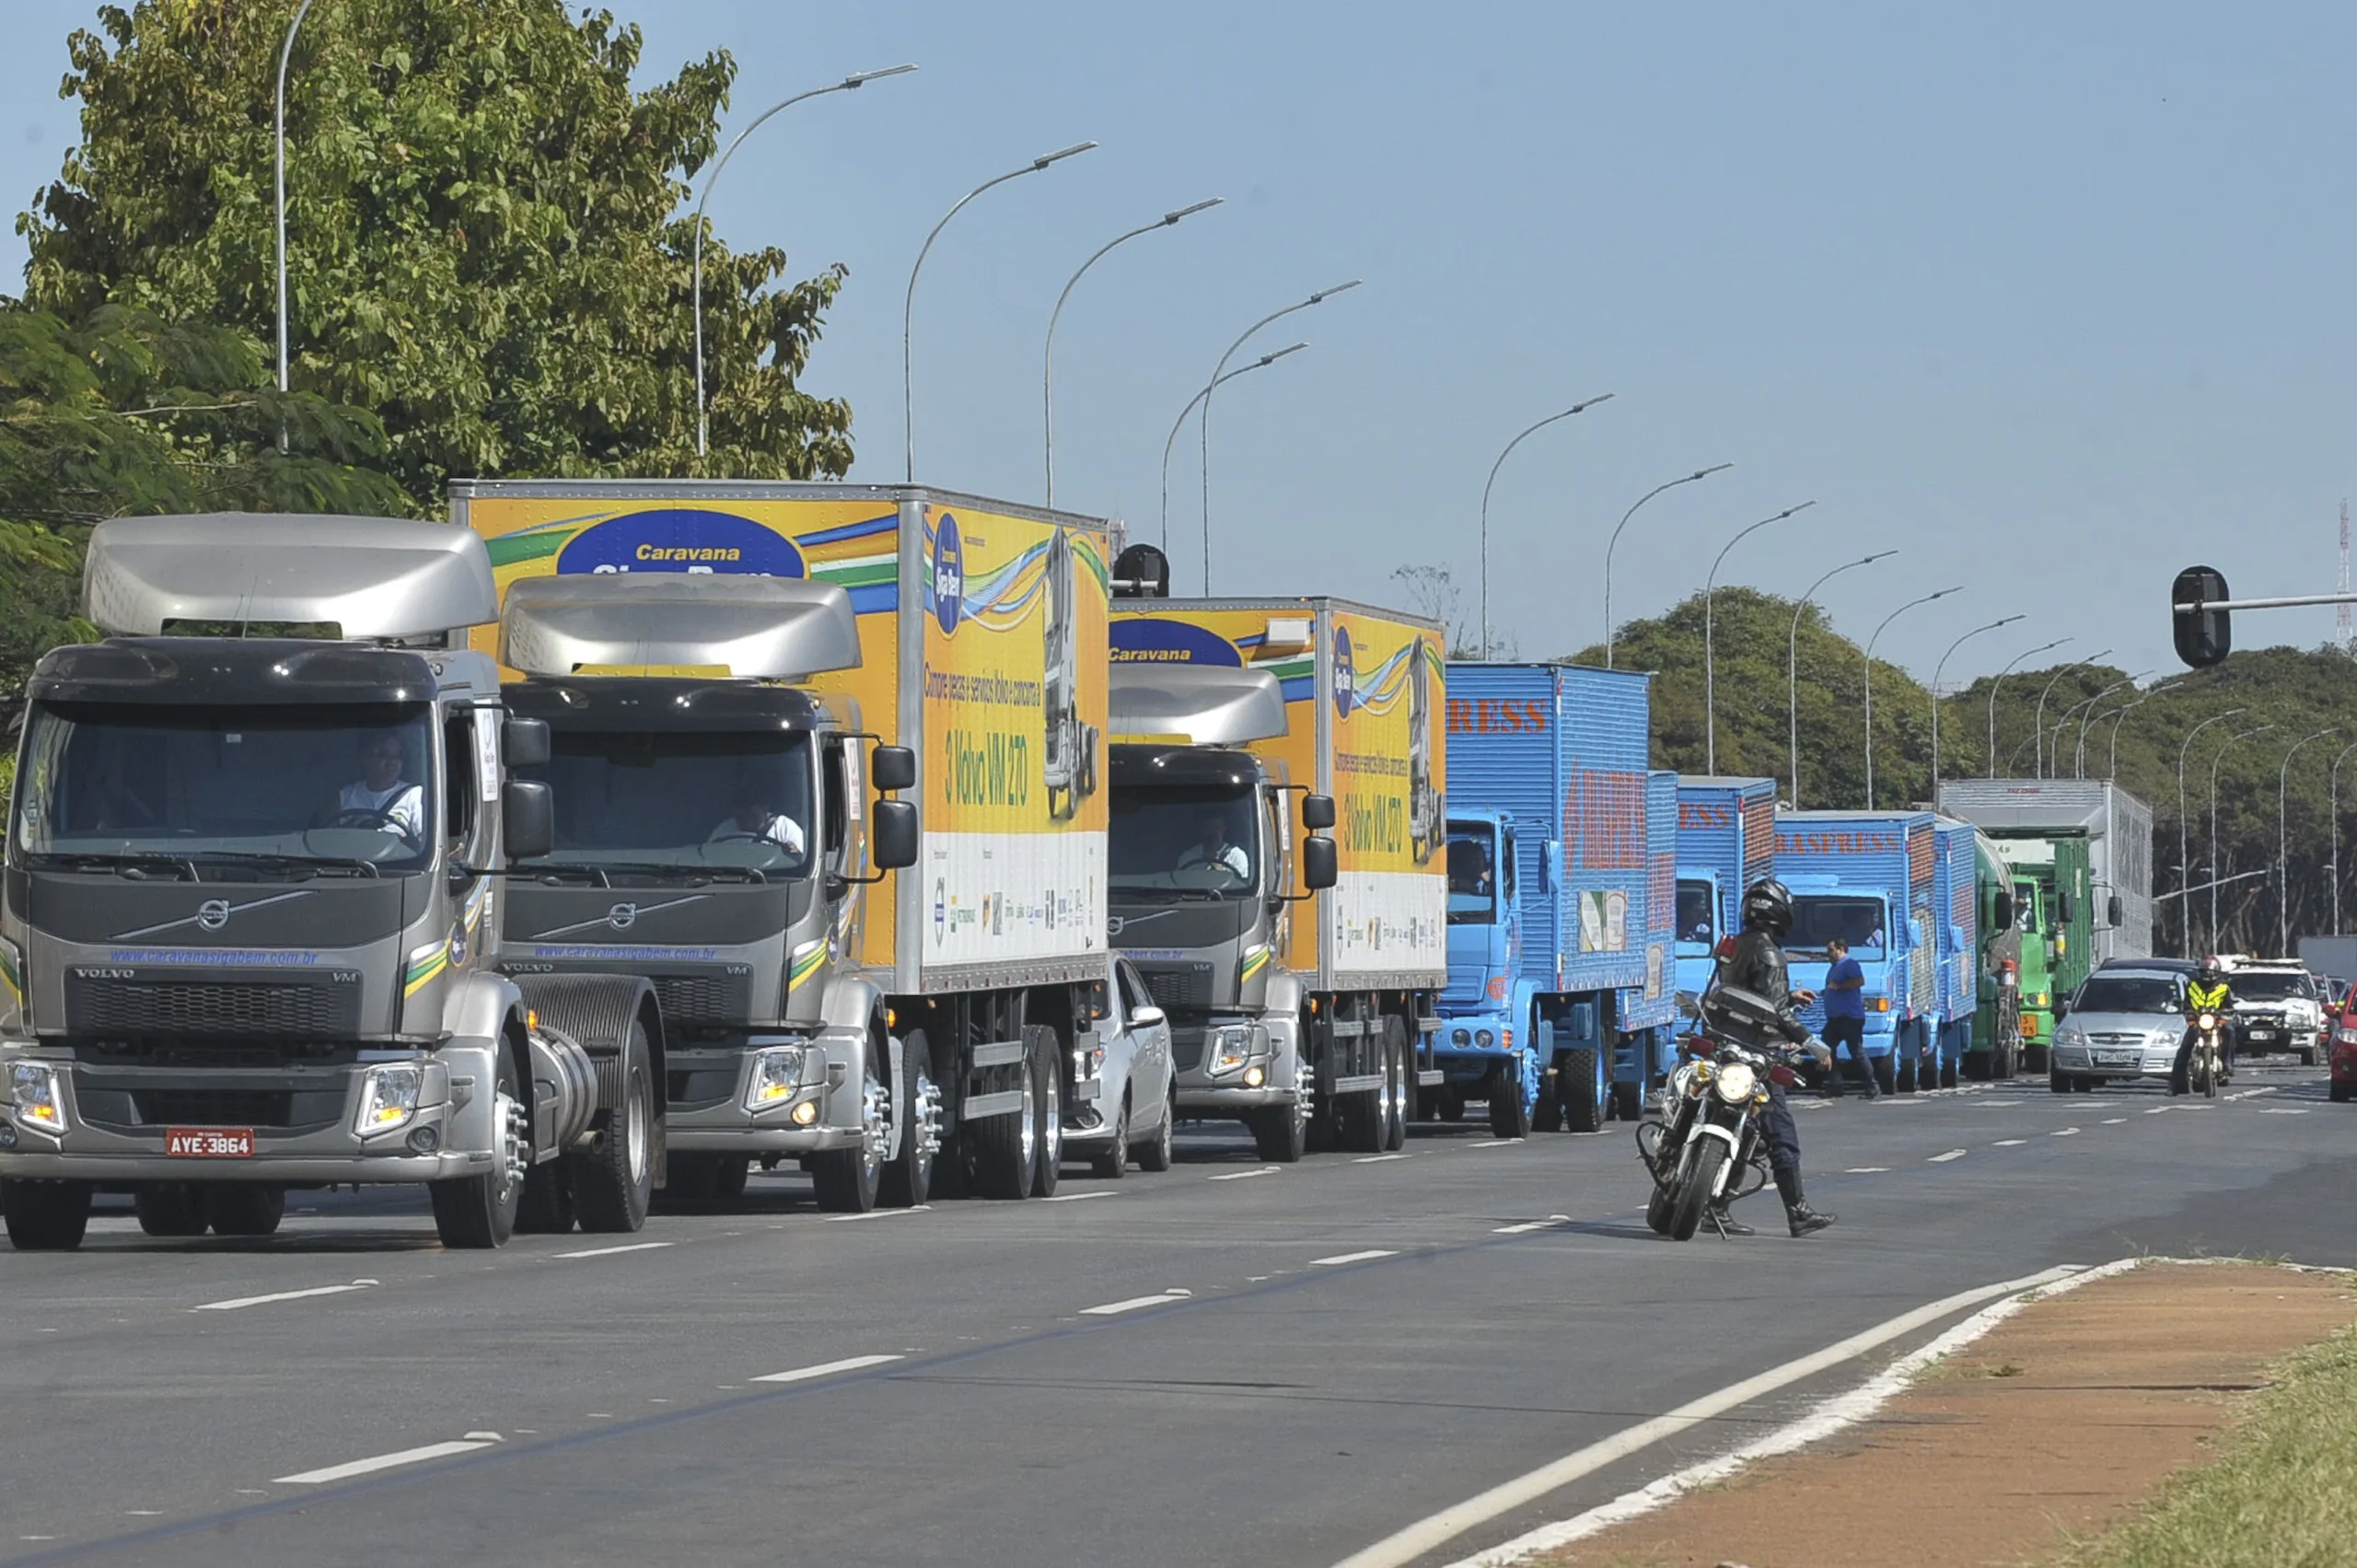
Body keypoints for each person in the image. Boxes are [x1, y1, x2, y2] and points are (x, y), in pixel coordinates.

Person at [1713, 877, 1837, 1237]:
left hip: (1725, 1043)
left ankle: (1716, 1204)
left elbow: (1736, 993)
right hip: (1756, 1055)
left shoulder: (1734, 946)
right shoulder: (1770, 953)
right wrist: (1814, 1043)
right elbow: (1777, 1013)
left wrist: (1788, 996)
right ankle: (1797, 1212)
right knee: (1779, 1134)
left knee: (1741, 1131)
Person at [329, 730, 425, 843]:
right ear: (365, 757)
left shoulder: (413, 795)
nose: (392, 762)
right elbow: (324, 840)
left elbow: (423, 840)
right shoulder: (344, 796)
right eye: (383, 755)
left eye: (398, 756)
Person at [1820, 935, 1876, 1098]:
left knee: (1856, 1052)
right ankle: (1835, 1084)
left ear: (1841, 949)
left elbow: (1859, 981)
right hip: (1835, 1018)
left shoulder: (1849, 964)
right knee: (1825, 1049)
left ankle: (1871, 1085)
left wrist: (1838, 986)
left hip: (1849, 1018)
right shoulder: (1835, 966)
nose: (1828, 954)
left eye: (1831, 950)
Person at [2173, 955, 2234, 1095]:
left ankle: (2227, 1064)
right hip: (2198, 1020)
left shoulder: (2223, 987)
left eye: (2211, 972)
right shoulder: (2193, 985)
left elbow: (2229, 1006)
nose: (2207, 975)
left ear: (2217, 973)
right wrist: (2189, 1014)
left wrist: (2225, 1015)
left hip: (2217, 1020)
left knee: (2230, 1032)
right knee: (2184, 1048)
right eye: (2204, 972)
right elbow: (2186, 1004)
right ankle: (2176, 1084)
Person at [711, 785, 807, 859]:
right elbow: (710, 857)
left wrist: (789, 850)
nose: (747, 822)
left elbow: (798, 858)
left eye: (751, 816)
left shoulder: (785, 829)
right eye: (741, 817)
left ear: (765, 807)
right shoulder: (723, 830)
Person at [1176, 810, 1249, 879]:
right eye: (1209, 828)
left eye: (1216, 828)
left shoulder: (1237, 856)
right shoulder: (1188, 857)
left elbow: (1241, 885)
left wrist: (1215, 864)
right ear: (1202, 830)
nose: (1212, 833)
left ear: (1223, 830)